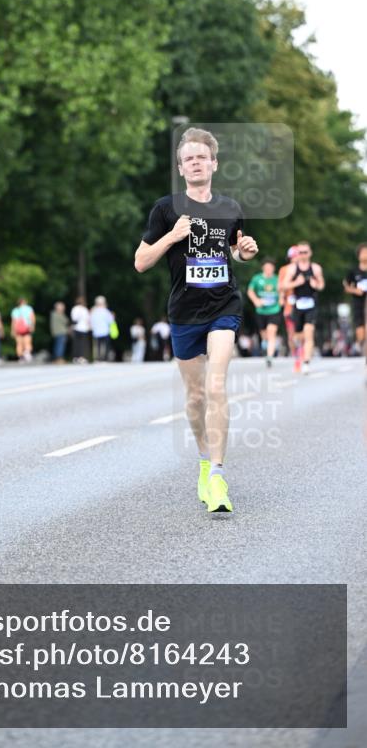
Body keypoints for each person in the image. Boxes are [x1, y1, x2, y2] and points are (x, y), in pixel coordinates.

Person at [134, 126, 258, 514]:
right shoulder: (165, 209)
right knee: (195, 396)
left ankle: (218, 476)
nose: (196, 163)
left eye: (202, 157)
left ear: (214, 163)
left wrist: (245, 253)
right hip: (184, 313)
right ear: (181, 168)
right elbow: (140, 263)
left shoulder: (230, 208)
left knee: (217, 384)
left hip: (224, 306)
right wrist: (171, 237)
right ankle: (205, 461)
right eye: (189, 159)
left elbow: (233, 253)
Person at [280, 240, 325, 375]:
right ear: (297, 254)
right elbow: (283, 286)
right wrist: (296, 282)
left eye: (305, 252)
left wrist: (315, 284)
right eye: (300, 252)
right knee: (298, 336)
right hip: (297, 305)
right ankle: (299, 353)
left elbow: (321, 285)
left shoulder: (315, 268)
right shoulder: (292, 269)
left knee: (309, 332)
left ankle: (306, 363)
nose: (303, 255)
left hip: (311, 304)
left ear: (310, 253)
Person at [247, 257, 281, 367]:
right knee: (264, 334)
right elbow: (250, 291)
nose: (268, 269)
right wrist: (256, 300)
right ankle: (265, 343)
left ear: (273, 269)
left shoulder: (277, 279)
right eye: (267, 267)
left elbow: (283, 291)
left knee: (272, 332)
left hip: (274, 309)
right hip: (261, 310)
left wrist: (281, 299)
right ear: (263, 268)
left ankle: (269, 357)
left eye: (270, 268)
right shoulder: (257, 279)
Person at [343, 243, 367, 364]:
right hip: (358, 302)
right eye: (363, 252)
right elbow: (346, 286)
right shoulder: (353, 271)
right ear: (359, 256)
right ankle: (360, 344)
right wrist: (355, 290)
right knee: (360, 330)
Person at [278, 246, 299, 357]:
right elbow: (280, 286)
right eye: (294, 256)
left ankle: (301, 350)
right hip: (289, 302)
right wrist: (281, 298)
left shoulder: (304, 268)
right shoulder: (284, 269)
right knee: (291, 329)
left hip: (302, 301)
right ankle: (294, 352)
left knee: (302, 328)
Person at [10, 297, 35, 362]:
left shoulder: (15, 310)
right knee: (27, 342)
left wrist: (13, 330)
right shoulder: (28, 308)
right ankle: (27, 353)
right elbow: (32, 318)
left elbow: (13, 321)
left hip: (17, 329)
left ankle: (20, 357)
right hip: (27, 327)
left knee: (19, 344)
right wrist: (32, 326)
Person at [90, 295, 113, 362]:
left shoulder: (93, 311)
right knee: (105, 345)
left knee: (97, 346)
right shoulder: (106, 311)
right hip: (105, 331)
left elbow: (91, 320)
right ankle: (105, 358)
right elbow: (111, 321)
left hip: (96, 331)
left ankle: (98, 358)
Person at [70, 295, 91, 363]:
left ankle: (78, 357)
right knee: (80, 344)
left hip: (79, 328)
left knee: (78, 344)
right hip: (81, 328)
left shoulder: (76, 309)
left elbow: (74, 318)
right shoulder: (82, 309)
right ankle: (78, 357)